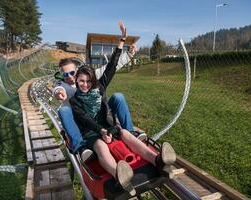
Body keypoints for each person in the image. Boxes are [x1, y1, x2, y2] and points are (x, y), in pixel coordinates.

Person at [69, 21, 176, 195]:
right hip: (91, 132)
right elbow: (85, 120)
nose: (85, 84)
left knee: (126, 134)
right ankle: (118, 174)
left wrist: (121, 42)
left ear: (93, 81)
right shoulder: (74, 101)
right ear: (76, 81)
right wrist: (102, 131)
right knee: (101, 147)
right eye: (82, 81)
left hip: (108, 127)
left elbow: (112, 66)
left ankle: (157, 160)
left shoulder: (100, 87)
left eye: (88, 81)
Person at [52, 31, 146, 157]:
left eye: (72, 72)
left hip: (99, 113)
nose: (69, 77)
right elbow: (58, 89)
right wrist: (59, 93)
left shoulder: (88, 78)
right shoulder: (63, 85)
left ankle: (130, 132)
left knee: (118, 96)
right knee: (63, 110)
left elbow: (111, 67)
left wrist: (126, 51)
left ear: (78, 71)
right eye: (65, 74)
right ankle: (80, 146)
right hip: (81, 118)